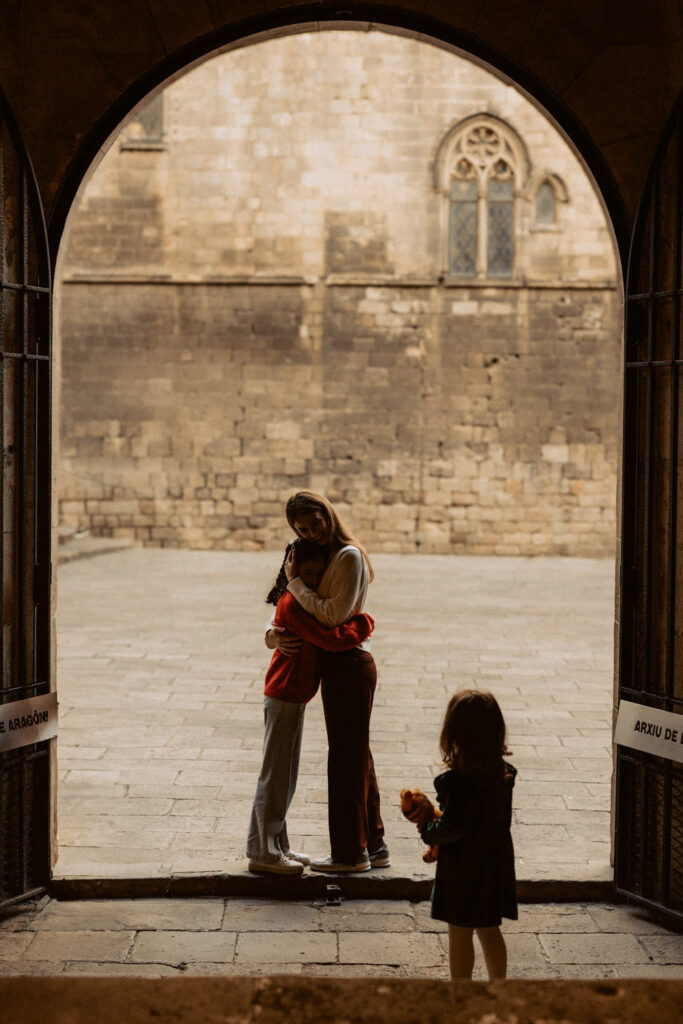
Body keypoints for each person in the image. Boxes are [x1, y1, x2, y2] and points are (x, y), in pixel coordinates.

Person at [267, 490, 388, 873]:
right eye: (302, 528)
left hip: (348, 663)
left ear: (327, 513)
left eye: (315, 522)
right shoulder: (321, 556)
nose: (311, 531)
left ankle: (350, 855)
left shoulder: (347, 556)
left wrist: (295, 586)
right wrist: (272, 634)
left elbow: (332, 617)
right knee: (358, 757)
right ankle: (376, 844)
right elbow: (296, 618)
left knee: (346, 762)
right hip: (340, 662)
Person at [247, 538, 374, 875]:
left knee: (284, 774)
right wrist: (364, 623)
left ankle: (278, 846)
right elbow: (331, 638)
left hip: (294, 695)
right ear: (291, 570)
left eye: (318, 575)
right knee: (275, 775)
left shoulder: (302, 601)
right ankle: (263, 851)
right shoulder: (295, 603)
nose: (313, 582)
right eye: (306, 573)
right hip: (283, 694)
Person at [413, 689, 517, 980]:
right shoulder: (504, 774)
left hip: (463, 867)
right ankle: (499, 987)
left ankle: (461, 993)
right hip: (493, 863)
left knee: (459, 931)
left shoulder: (457, 783)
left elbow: (452, 827)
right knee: (488, 929)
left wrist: (428, 830)